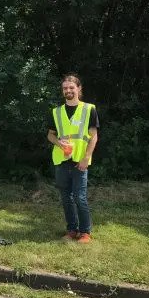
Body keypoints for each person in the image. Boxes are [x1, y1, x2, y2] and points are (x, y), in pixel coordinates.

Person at [47, 73, 99, 244]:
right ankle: (72, 230)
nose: (68, 90)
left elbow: (93, 136)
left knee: (79, 197)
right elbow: (50, 135)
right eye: (65, 88)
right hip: (62, 160)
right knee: (66, 197)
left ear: (79, 89)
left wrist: (87, 158)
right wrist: (58, 142)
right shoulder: (56, 112)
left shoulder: (89, 109)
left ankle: (85, 232)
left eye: (71, 87)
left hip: (80, 161)